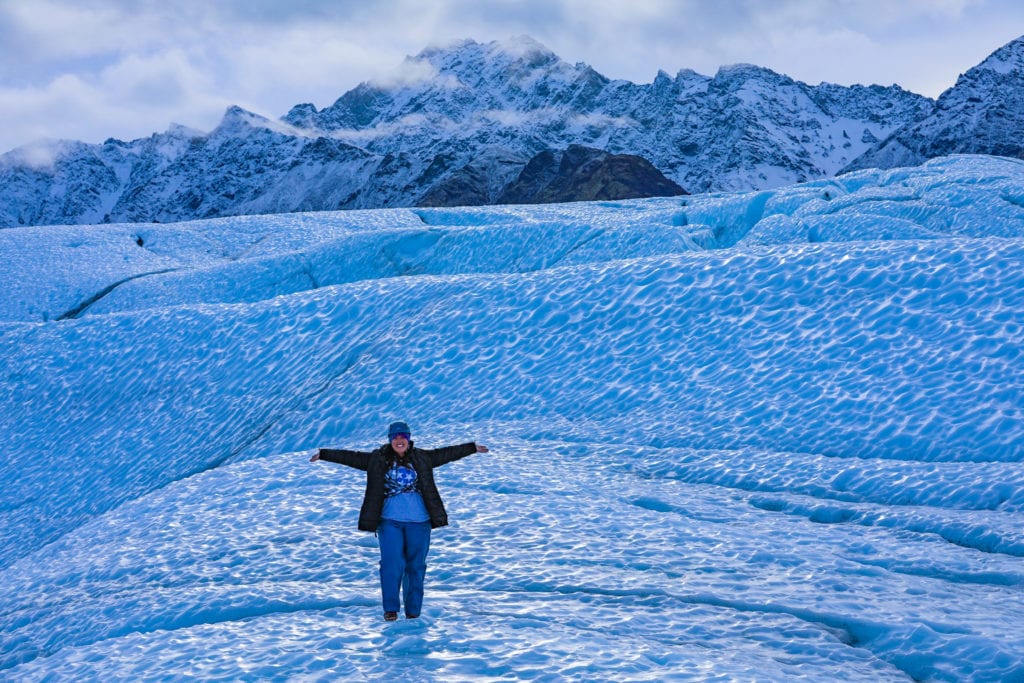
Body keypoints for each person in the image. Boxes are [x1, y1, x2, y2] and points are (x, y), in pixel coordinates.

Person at [310, 420, 490, 621]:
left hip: (420, 521)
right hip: (389, 521)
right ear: (390, 440)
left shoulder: (422, 457)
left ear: (409, 439)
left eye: (403, 437)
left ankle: (413, 612)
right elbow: (351, 457)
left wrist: (471, 448)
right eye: (395, 437)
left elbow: (446, 454)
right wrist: (325, 454)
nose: (399, 440)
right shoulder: (377, 459)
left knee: (416, 566)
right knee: (392, 563)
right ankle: (391, 610)